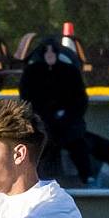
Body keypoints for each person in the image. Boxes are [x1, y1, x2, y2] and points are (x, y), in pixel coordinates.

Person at [17, 37, 95, 186]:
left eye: (53, 51)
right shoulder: (32, 73)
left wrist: (66, 114)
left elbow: (80, 100)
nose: (50, 54)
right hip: (41, 120)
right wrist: (41, 116)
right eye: (46, 51)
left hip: (68, 120)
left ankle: (87, 177)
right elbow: (26, 98)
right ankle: (34, 180)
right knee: (40, 142)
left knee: (77, 141)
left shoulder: (70, 72)